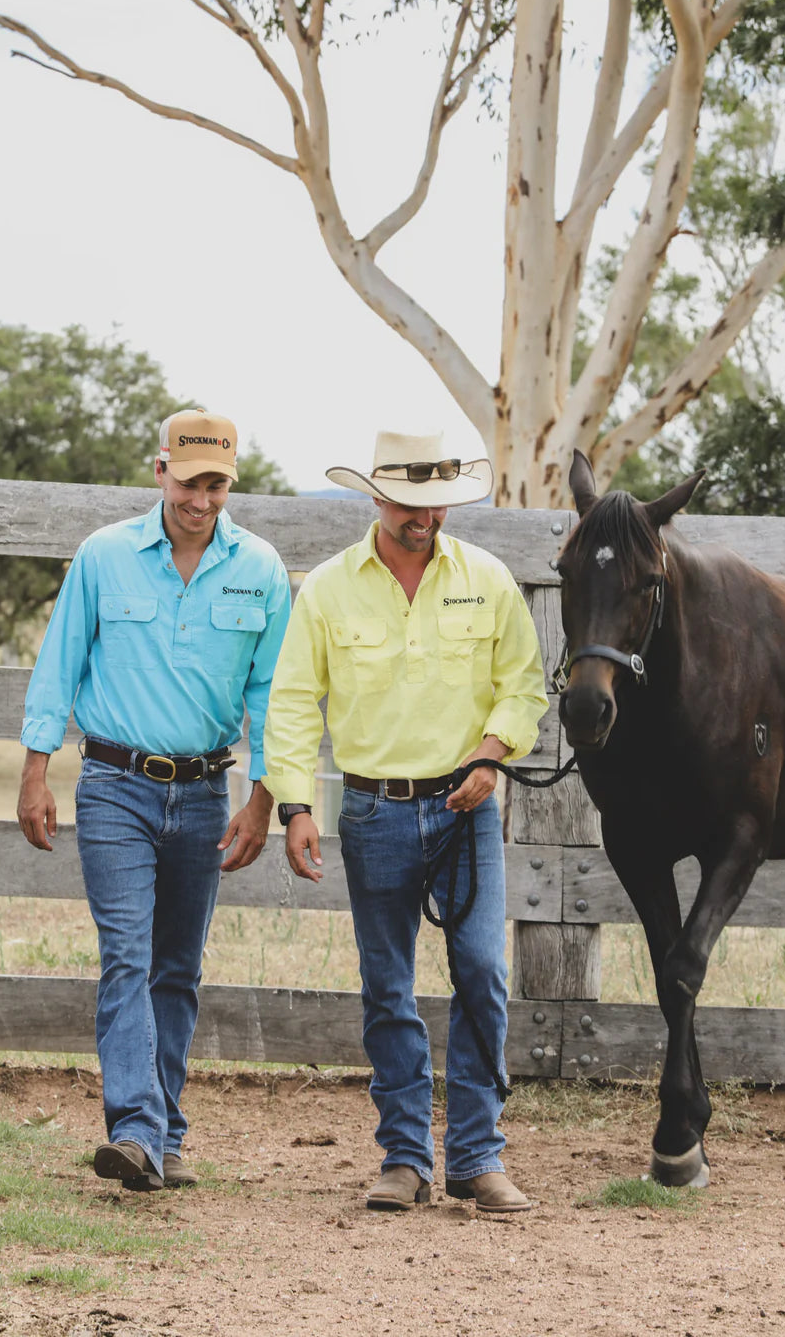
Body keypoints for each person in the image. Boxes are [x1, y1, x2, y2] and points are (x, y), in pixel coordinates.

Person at [263, 431, 548, 1213]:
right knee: (387, 984)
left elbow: (523, 685)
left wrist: (491, 756)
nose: (425, 517)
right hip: (372, 808)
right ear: (377, 499)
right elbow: (291, 701)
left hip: (465, 809)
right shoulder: (326, 589)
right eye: (409, 504)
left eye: (436, 503)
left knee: (483, 973)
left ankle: (477, 1155)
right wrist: (295, 806)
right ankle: (403, 1156)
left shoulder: (487, 580)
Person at [17, 408, 290, 1192]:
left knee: (177, 968)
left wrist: (263, 798)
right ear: (160, 468)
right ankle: (135, 1126)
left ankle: (162, 1131)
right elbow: (58, 664)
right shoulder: (104, 557)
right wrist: (35, 771)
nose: (200, 499)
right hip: (113, 787)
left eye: (216, 485)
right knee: (127, 956)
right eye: (188, 479)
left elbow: (273, 697)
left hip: (206, 793)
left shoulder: (262, 570)